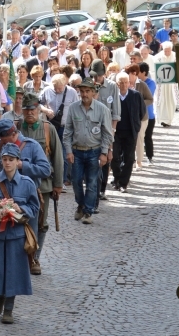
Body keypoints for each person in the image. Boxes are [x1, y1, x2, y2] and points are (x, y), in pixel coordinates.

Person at [0, 143, 40, 325]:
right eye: (4, 160)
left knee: (13, 270)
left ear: (17, 161)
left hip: (16, 234)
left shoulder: (27, 184)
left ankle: (9, 308)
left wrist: (20, 208)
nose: (7, 163)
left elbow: (35, 207)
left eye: (11, 160)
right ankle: (0, 297)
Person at [18, 93, 63, 275]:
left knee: (41, 224)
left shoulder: (47, 129)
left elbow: (58, 157)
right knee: (20, 221)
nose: (30, 113)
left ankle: (35, 257)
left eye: (33, 109)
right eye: (27, 110)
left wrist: (58, 185)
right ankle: (21, 258)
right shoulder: (17, 129)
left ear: (39, 110)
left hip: (43, 185)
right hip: (19, 185)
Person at [63, 78, 113, 224]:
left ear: (93, 92)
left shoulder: (102, 109)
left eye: (87, 91)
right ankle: (80, 204)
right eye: (82, 91)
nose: (84, 94)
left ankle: (88, 212)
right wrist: (68, 151)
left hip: (94, 151)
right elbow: (67, 132)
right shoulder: (73, 108)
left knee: (92, 182)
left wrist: (104, 152)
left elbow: (107, 133)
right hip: (77, 151)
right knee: (76, 181)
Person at [39, 75, 78, 187]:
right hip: (51, 126)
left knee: (64, 153)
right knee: (50, 151)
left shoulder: (72, 92)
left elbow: (77, 107)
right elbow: (38, 103)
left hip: (66, 127)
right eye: (55, 87)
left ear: (65, 85)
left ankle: (63, 179)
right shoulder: (47, 90)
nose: (57, 90)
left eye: (60, 88)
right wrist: (46, 110)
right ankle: (51, 177)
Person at [91, 59, 120, 206]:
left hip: (107, 128)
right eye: (95, 76)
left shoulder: (112, 87)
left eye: (99, 76)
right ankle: (93, 190)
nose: (96, 79)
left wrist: (112, 133)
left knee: (105, 158)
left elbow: (115, 112)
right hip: (91, 128)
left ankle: (102, 189)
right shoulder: (88, 85)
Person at [111, 73, 146, 193]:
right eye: (121, 82)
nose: (124, 85)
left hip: (131, 131)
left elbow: (142, 112)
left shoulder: (136, 95)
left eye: (126, 82)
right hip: (116, 132)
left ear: (129, 83)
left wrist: (136, 126)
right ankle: (116, 177)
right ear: (117, 84)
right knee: (114, 156)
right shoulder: (114, 96)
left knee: (129, 158)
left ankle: (123, 183)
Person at [125, 64, 153, 170]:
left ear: (134, 74)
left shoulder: (142, 85)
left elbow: (150, 99)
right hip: (127, 117)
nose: (128, 76)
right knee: (129, 139)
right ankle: (129, 160)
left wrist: (140, 103)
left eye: (129, 73)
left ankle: (139, 161)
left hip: (141, 117)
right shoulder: (124, 84)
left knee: (139, 139)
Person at [138, 63, 157, 165]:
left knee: (147, 136)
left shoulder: (150, 83)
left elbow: (147, 96)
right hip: (139, 115)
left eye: (138, 72)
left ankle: (149, 156)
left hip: (149, 115)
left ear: (143, 72)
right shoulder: (136, 83)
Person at [155, 41, 176, 127]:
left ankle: (169, 120)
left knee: (171, 100)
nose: (167, 53)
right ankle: (162, 119)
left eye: (169, 51)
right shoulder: (158, 57)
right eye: (165, 51)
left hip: (172, 84)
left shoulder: (175, 56)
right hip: (162, 84)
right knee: (161, 100)